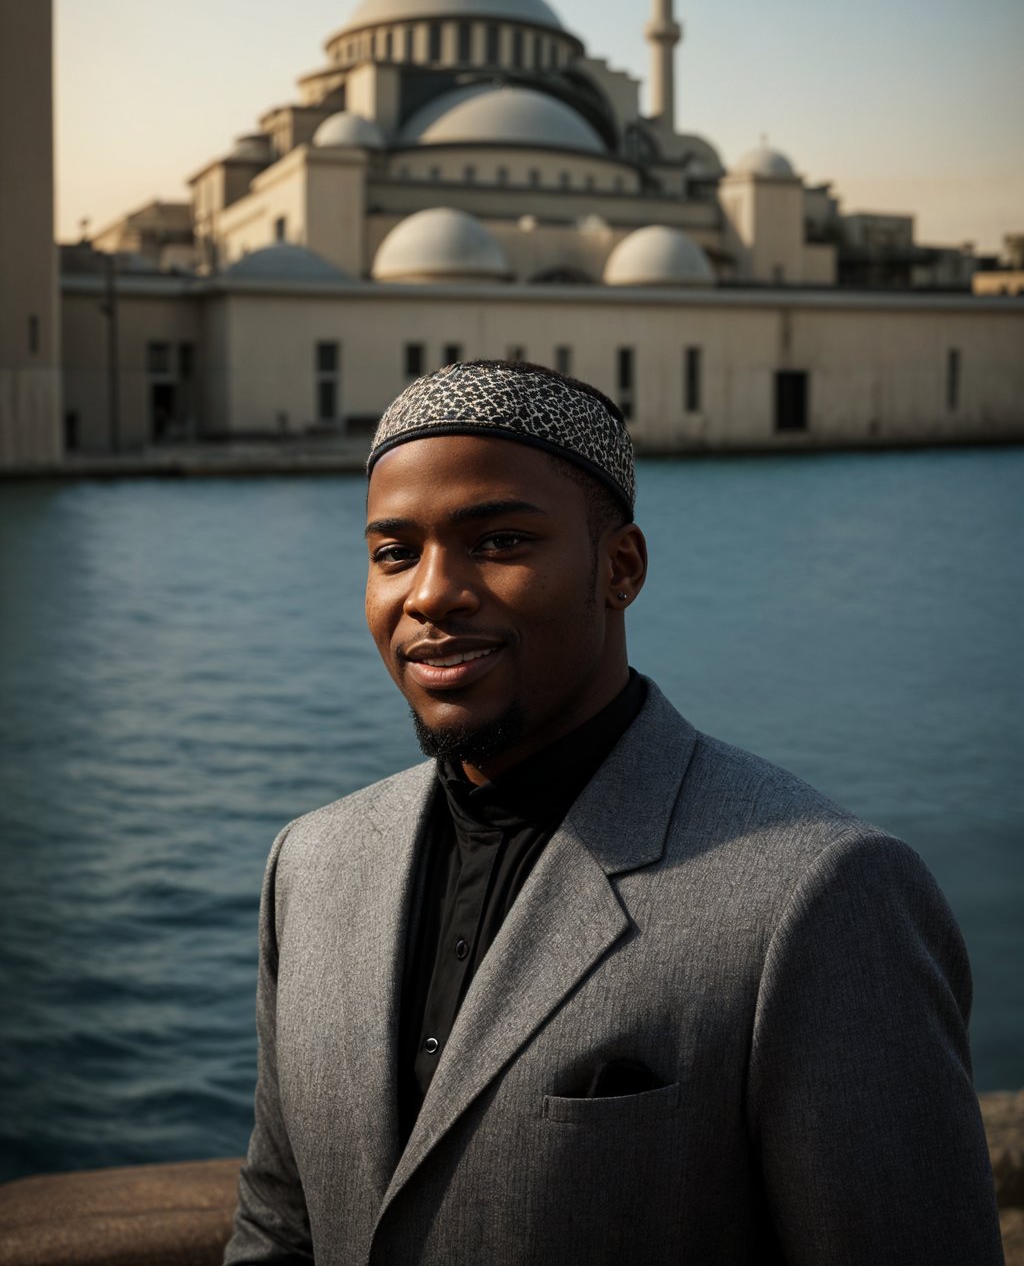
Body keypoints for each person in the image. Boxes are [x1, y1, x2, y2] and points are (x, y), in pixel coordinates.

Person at [225, 359, 1002, 1266]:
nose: (430, 594)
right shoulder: (311, 866)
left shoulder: (819, 895)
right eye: (394, 553)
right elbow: (280, 1224)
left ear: (620, 568)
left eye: (501, 541)